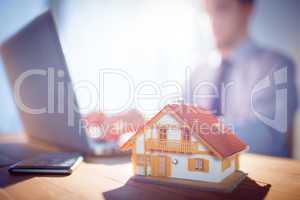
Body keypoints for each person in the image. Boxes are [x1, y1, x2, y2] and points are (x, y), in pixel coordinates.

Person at [184, 0, 298, 157]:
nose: (211, 20)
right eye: (206, 12)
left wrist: (201, 131)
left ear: (247, 8)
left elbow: (269, 135)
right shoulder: (198, 72)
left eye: (221, 8)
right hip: (202, 175)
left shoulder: (276, 65)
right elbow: (180, 120)